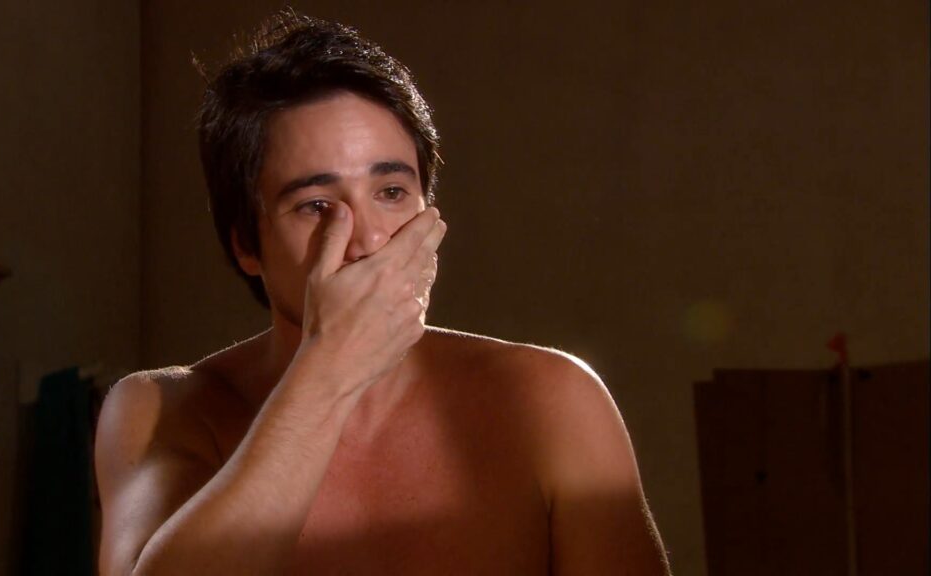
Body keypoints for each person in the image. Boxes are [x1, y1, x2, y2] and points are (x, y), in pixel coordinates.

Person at [95, 10, 669, 576]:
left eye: (391, 192)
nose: (368, 240)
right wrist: (329, 371)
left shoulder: (553, 401)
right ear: (246, 244)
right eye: (316, 205)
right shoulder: (161, 410)